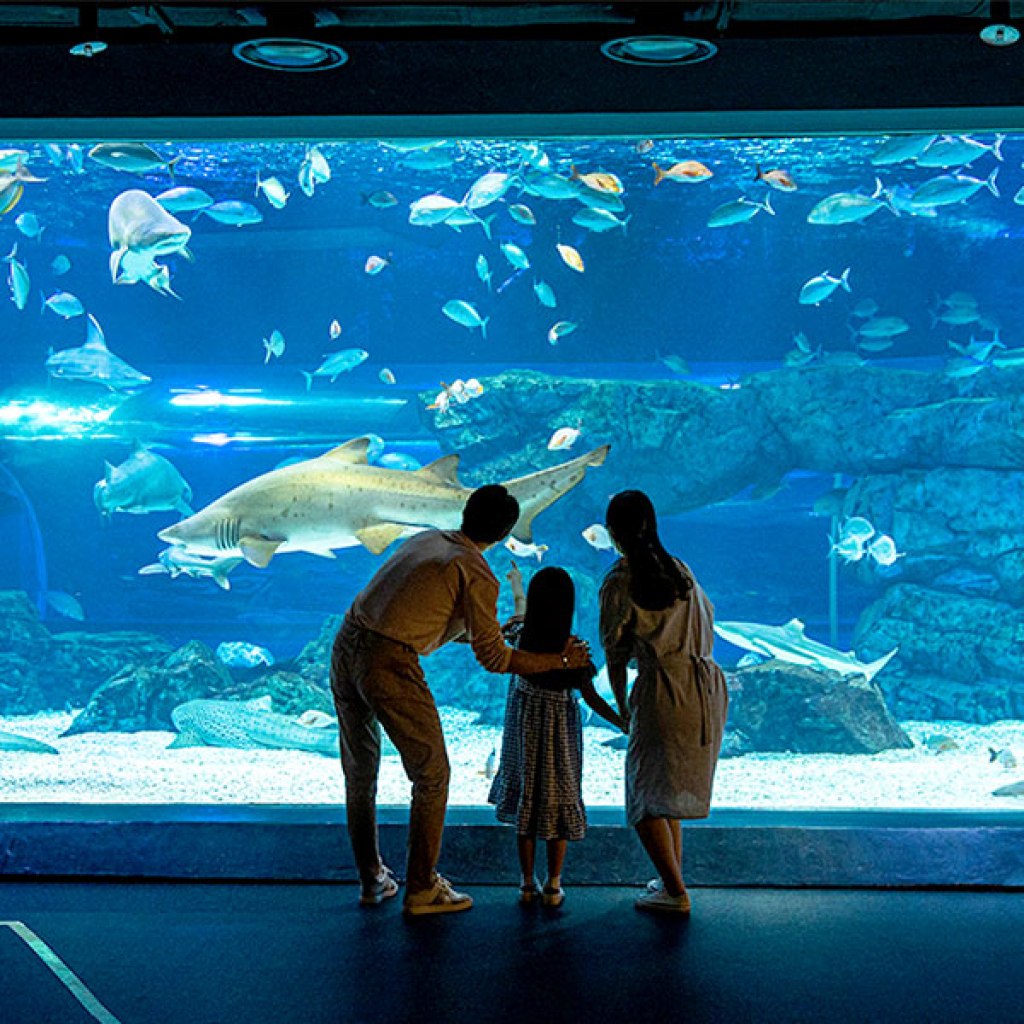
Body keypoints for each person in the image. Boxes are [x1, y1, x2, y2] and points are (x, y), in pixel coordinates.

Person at [330, 484, 591, 916]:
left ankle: (372, 878)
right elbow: (495, 660)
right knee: (432, 774)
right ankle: (421, 887)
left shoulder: (426, 539)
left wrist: (486, 630)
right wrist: (561, 659)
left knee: (360, 772)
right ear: (505, 533)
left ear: (466, 512)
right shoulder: (475, 571)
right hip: (388, 662)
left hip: (346, 644)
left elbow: (422, 611)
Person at [599, 490, 728, 914]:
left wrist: (622, 708)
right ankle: (673, 880)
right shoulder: (680, 570)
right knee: (667, 790)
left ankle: (674, 891)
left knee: (644, 795)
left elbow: (615, 655)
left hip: (663, 690)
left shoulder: (621, 580)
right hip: (705, 689)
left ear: (613, 531)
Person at [488, 564, 625, 907]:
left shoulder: (520, 638)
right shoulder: (573, 652)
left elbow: (519, 613)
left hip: (524, 737)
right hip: (558, 740)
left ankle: (526, 882)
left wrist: (517, 585)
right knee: (556, 803)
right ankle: (553, 883)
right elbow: (592, 698)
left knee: (527, 806)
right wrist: (622, 721)